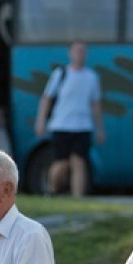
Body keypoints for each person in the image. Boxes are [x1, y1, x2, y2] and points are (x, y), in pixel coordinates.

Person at [34, 40, 104, 198]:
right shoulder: (60, 74)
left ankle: (77, 198)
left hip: (83, 126)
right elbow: (47, 99)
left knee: (79, 162)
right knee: (62, 165)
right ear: (70, 53)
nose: (80, 54)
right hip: (61, 126)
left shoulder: (91, 77)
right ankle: (51, 188)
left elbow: (95, 104)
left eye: (83, 51)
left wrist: (99, 128)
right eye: (77, 51)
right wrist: (41, 122)